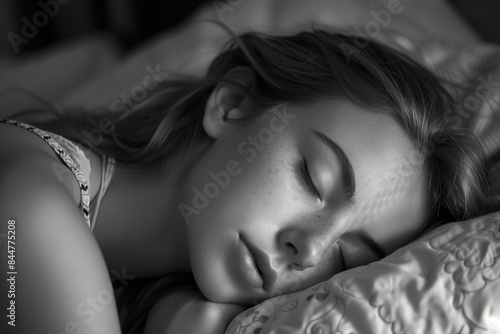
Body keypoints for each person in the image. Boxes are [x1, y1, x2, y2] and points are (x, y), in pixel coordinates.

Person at [0, 25, 496, 334]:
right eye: (313, 179)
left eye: (347, 256)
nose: (311, 250)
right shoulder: (35, 210)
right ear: (232, 103)